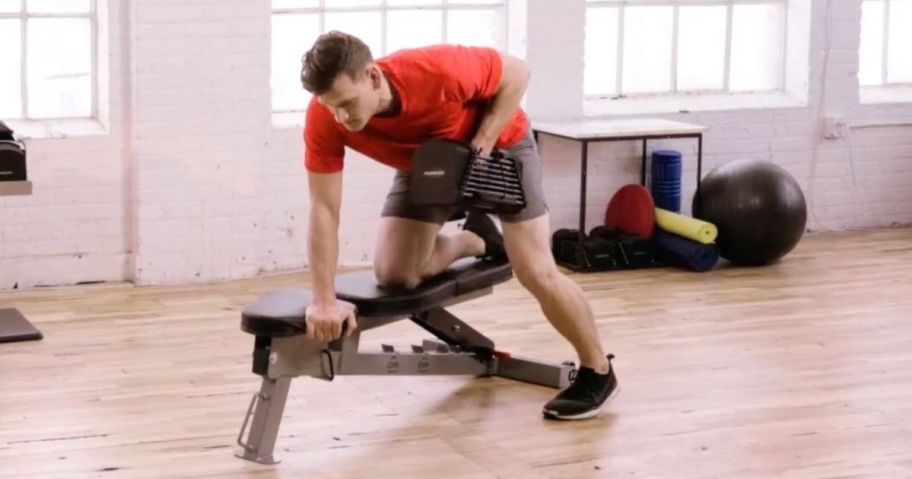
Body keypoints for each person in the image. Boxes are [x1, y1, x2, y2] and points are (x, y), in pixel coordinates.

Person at [299, 31, 618, 420]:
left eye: (348, 104)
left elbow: (517, 73)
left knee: (536, 272)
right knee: (396, 275)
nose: (342, 117)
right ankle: (475, 239)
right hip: (425, 164)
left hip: (499, 149)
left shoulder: (435, 70)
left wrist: (480, 145)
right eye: (332, 107)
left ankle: (598, 369)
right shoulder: (325, 117)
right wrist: (323, 299)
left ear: (373, 76)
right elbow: (324, 209)